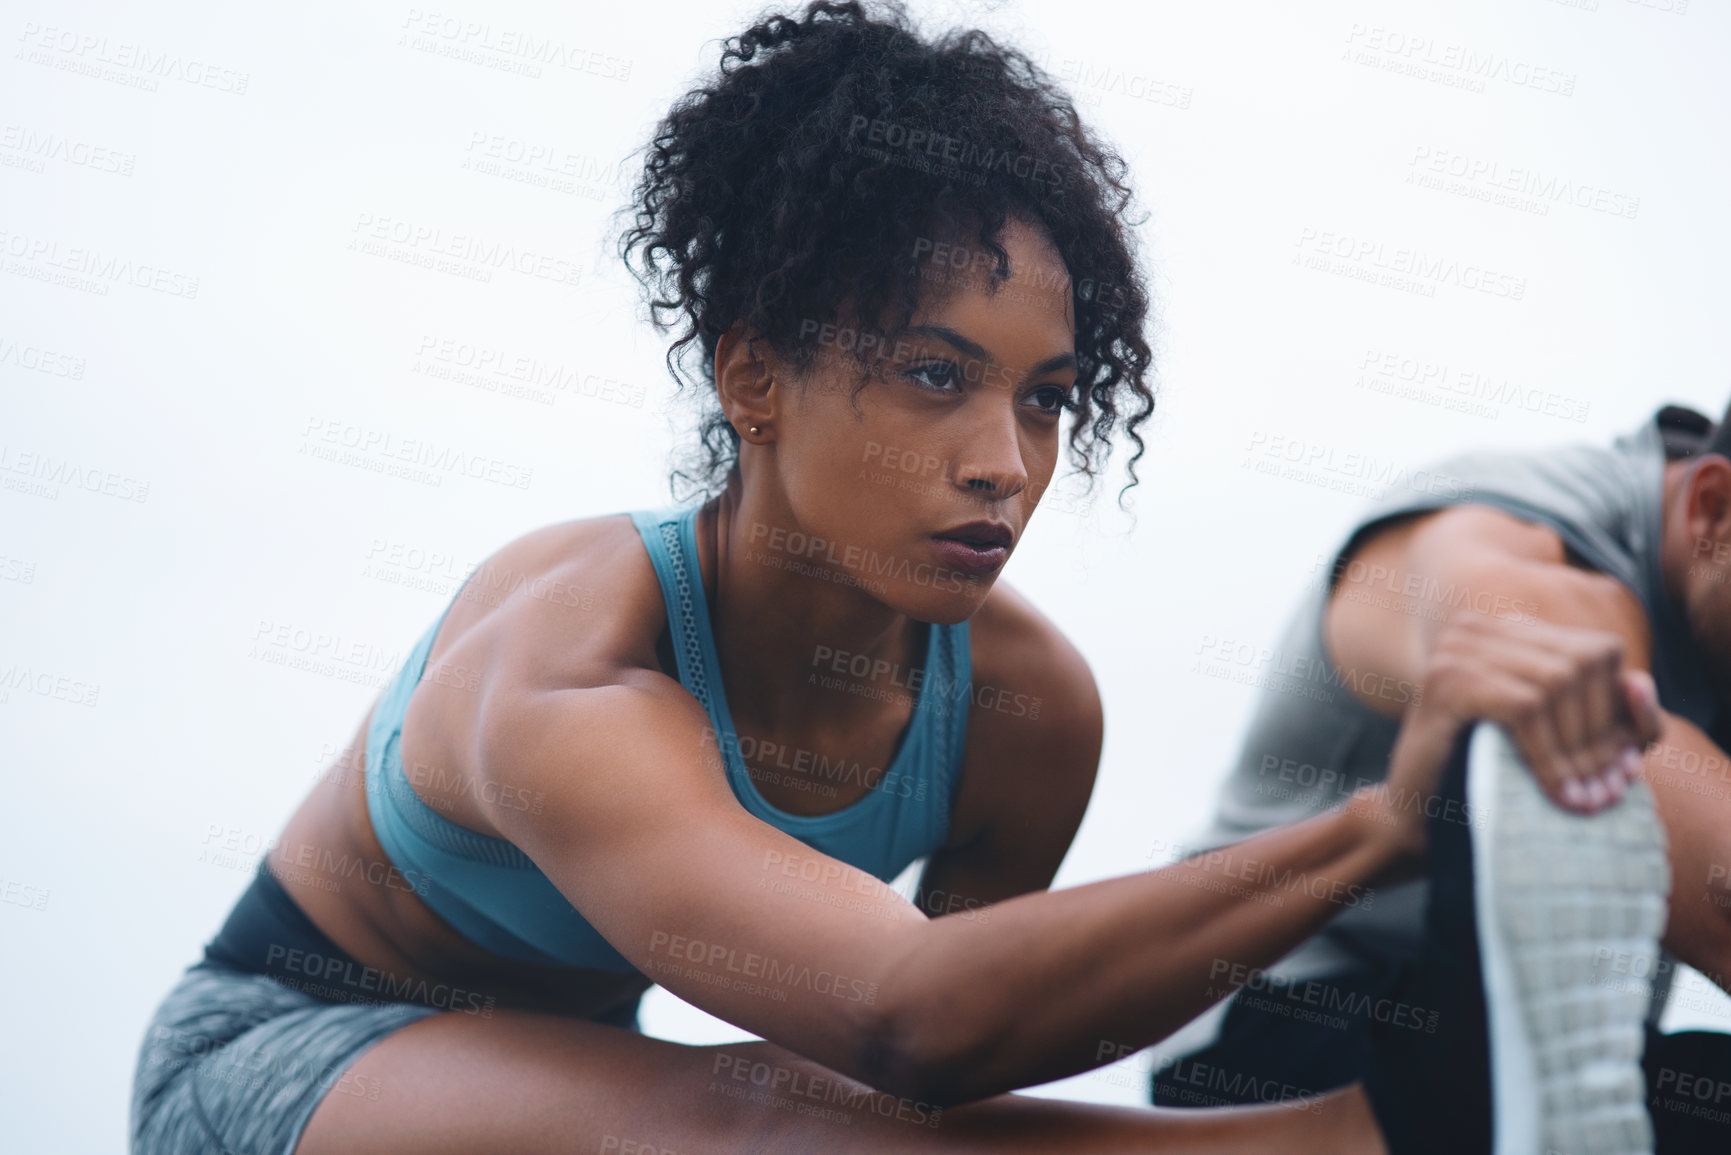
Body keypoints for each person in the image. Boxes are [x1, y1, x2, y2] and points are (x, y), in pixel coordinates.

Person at [128, 4, 1658, 1152]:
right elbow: (905, 1013)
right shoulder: (571, 666)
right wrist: (1385, 823)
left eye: (1046, 395)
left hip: (593, 1075)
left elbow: (959, 1062)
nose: (1003, 458)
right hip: (287, 1052)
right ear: (754, 379)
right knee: (762, 1119)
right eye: (934, 374)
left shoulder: (1022, 704)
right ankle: (1367, 1136)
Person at [1152, 401, 1731, 1150]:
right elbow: (1560, 673)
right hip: (1277, 1027)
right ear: (1711, 508)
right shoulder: (1520, 514)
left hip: (1552, 1054)